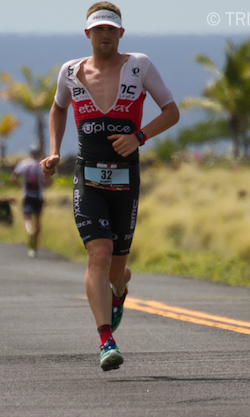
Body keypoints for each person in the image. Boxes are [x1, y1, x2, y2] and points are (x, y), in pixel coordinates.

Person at [40, 2, 179, 371]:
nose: (105, 35)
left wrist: (139, 136)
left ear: (121, 33)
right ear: (87, 33)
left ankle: (121, 288)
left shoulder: (139, 65)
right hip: (87, 177)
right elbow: (57, 109)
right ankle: (105, 340)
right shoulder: (70, 71)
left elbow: (171, 110)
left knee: (116, 270)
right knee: (97, 255)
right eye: (98, 29)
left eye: (111, 29)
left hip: (125, 177)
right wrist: (53, 152)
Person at [10, 146, 49, 257]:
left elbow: (13, 178)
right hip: (38, 196)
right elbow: (48, 180)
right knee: (38, 221)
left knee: (27, 218)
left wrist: (21, 186)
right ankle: (33, 245)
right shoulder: (42, 165)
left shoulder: (23, 164)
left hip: (27, 195)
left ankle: (29, 231)